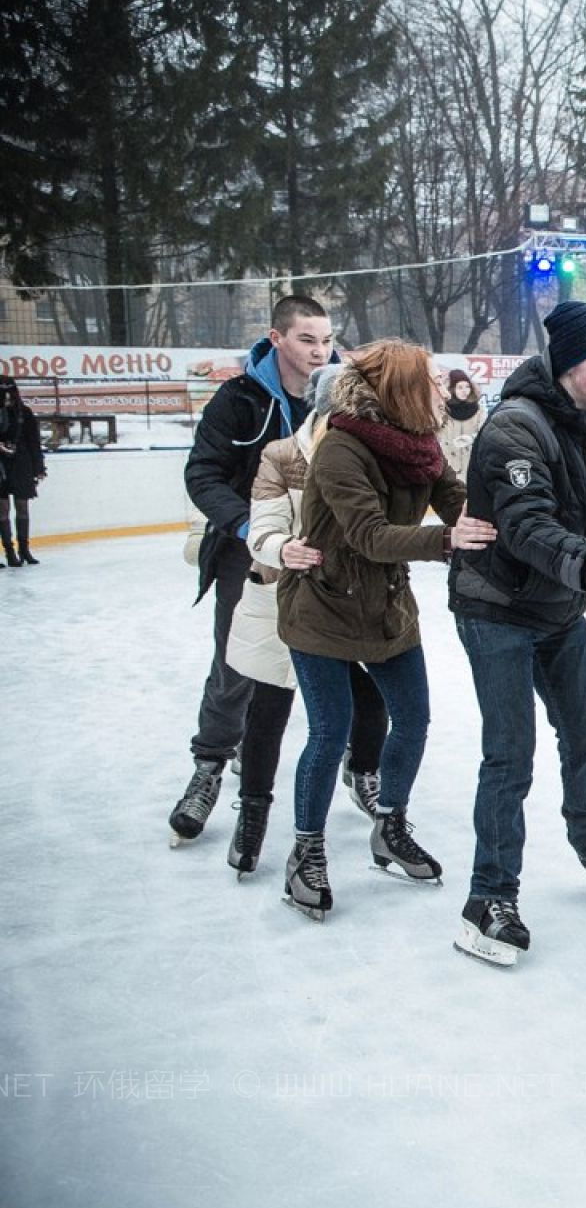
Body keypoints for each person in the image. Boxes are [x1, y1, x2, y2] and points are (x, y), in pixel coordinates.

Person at [449, 301, 586, 967]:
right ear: (568, 364)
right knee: (510, 754)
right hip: (498, 608)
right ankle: (488, 899)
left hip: (559, 607)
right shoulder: (515, 427)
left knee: (585, 729)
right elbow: (526, 525)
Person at [276, 340, 494, 920]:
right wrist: (449, 541)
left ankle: (389, 826)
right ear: (399, 387)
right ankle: (306, 851)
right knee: (331, 730)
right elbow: (369, 535)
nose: (441, 390)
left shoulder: (419, 446)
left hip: (388, 607)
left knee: (414, 718)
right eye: (429, 380)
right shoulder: (341, 449)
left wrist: (511, 524)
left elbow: (457, 502)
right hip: (323, 608)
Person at [169, 294, 334, 847]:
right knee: (238, 664)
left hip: (323, 554)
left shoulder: (336, 402)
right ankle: (211, 765)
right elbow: (203, 474)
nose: (318, 350)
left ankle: (364, 766)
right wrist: (250, 528)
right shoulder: (238, 399)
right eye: (307, 338)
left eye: (326, 340)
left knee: (351, 663)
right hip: (251, 554)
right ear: (277, 337)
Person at [222, 364, 390, 878]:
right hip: (283, 603)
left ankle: (361, 770)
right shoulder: (281, 456)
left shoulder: (370, 455)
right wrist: (281, 547)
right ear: (322, 408)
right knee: (268, 714)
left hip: (342, 605)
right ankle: (252, 812)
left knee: (372, 701)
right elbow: (264, 526)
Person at [0, 376, 46, 566]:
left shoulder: (24, 413)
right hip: (1, 463)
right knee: (2, 508)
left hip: (21, 462)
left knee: (22, 506)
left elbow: (34, 442)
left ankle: (24, 549)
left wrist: (39, 467)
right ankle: (9, 551)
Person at [437, 368, 484, 481]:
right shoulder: (443, 410)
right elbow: (436, 435)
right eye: (460, 387)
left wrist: (471, 438)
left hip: (471, 467)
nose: (465, 391)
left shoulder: (479, 410)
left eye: (467, 386)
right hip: (447, 467)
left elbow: (484, 433)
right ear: (452, 389)